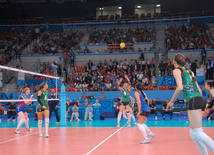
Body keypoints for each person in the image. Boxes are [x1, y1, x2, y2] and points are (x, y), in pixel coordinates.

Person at [167, 53, 214, 154]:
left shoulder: (177, 70)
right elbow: (199, 89)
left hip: (193, 100)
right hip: (200, 99)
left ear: (174, 61)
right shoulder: (189, 71)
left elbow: (180, 87)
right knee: (193, 133)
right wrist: (203, 104)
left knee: (198, 133)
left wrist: (171, 101)